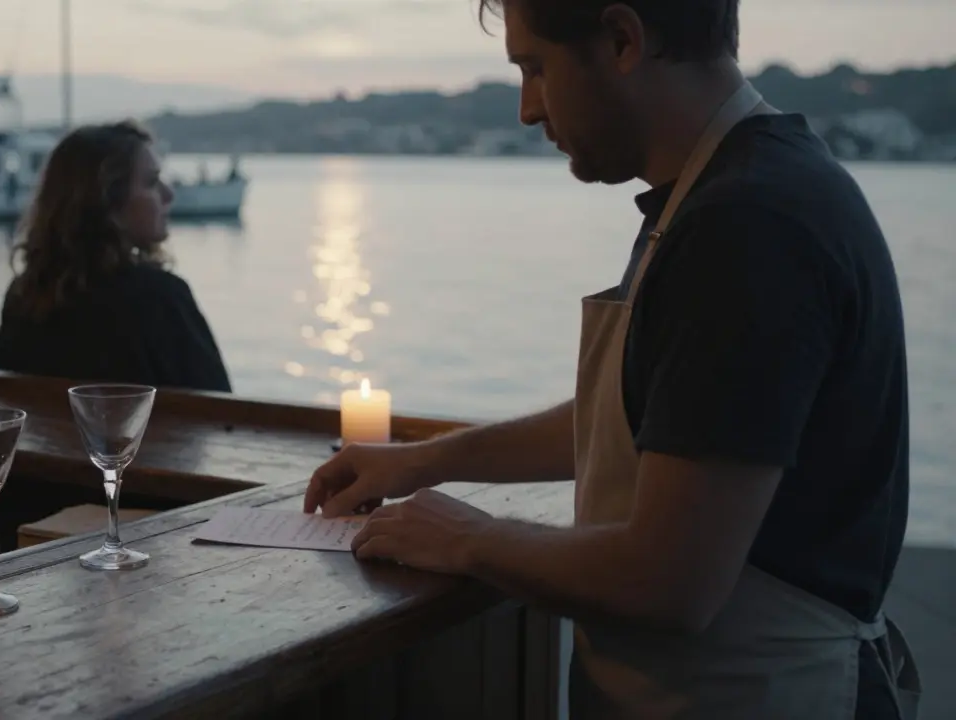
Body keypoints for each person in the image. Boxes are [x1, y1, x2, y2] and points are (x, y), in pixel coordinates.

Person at [304, 1, 920, 718]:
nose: (528, 109)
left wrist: (471, 538)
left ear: (624, 40)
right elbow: (653, 417)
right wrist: (424, 460)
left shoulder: (748, 226)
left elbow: (671, 582)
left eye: (536, 67)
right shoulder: (731, 191)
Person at [0, 121, 232, 393]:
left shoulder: (24, 296)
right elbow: (223, 408)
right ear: (108, 202)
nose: (168, 195)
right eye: (151, 182)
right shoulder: (160, 299)